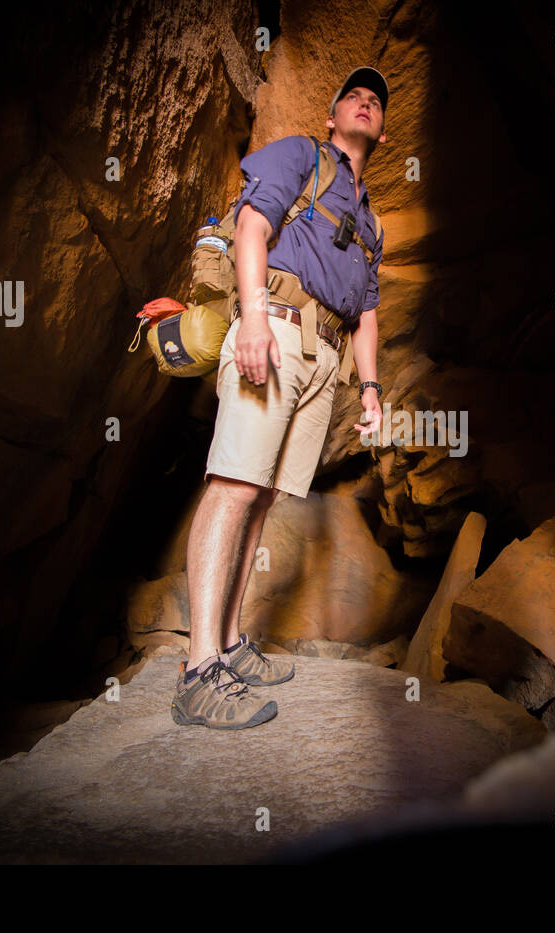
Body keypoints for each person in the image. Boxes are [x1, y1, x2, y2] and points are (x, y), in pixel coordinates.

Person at [171, 67, 391, 729]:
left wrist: (372, 388)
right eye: (354, 95)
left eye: (376, 100)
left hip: (324, 355)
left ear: (381, 128)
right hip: (279, 328)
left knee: (262, 497)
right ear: (331, 118)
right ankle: (198, 670)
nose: (365, 102)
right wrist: (257, 317)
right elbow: (250, 227)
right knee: (233, 485)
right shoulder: (303, 156)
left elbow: (370, 313)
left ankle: (232, 644)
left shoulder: (371, 219)